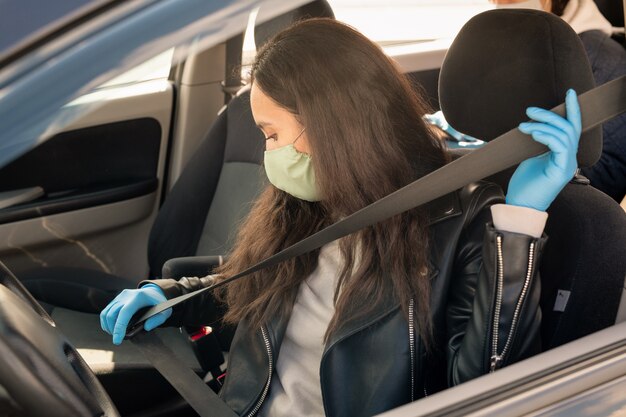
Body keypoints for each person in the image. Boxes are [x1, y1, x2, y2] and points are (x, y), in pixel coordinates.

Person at [100, 19, 582, 417]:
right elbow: (258, 283)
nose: (268, 152)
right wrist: (174, 298)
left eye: (271, 133)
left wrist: (519, 221)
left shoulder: (461, 222)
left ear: (331, 125)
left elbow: (487, 389)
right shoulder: (306, 202)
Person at [493, 0, 626, 202]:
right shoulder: (515, 48)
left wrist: (558, 174)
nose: (496, 2)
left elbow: (611, 171)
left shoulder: (601, 60)